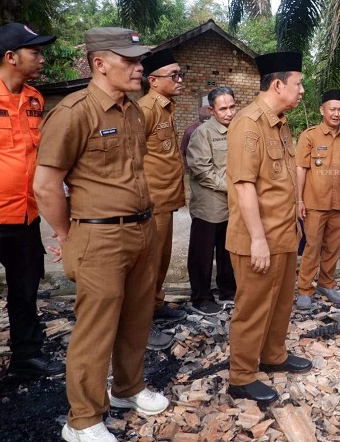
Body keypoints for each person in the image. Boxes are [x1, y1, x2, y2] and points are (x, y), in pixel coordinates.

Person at [34, 28, 169, 442]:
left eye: (139, 59)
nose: (139, 67)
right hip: (100, 237)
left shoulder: (132, 110)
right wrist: (66, 233)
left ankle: (128, 388)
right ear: (99, 63)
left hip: (141, 229)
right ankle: (83, 420)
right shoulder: (75, 112)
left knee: (136, 317)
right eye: (128, 60)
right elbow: (45, 184)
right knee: (96, 329)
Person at [224, 51, 312, 404]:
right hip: (257, 239)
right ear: (278, 85)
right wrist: (258, 240)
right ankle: (241, 376)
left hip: (283, 234)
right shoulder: (248, 123)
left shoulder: (280, 121)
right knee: (253, 308)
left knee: (280, 303)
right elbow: (244, 185)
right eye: (298, 83)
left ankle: (273, 355)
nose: (302, 90)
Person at [0, 22, 64, 401]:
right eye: (35, 52)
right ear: (10, 57)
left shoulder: (35, 99)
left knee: (25, 292)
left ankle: (26, 357)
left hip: (25, 218)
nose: (41, 58)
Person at [138, 49, 188, 351]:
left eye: (180, 74)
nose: (180, 79)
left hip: (167, 200)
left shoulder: (166, 108)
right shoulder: (146, 109)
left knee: (162, 259)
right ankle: (142, 323)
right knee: (148, 263)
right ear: (153, 81)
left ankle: (157, 305)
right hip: (151, 201)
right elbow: (132, 157)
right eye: (174, 75)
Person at [295, 89, 340, 310]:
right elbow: (301, 169)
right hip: (314, 203)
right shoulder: (309, 136)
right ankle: (304, 289)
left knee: (333, 247)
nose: (336, 113)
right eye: (332, 109)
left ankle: (326, 284)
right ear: (322, 110)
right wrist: (299, 200)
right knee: (312, 246)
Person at [186, 87, 237, 315]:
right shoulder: (203, 133)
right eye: (223, 108)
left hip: (232, 204)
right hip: (209, 204)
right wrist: (232, 188)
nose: (229, 112)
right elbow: (201, 170)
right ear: (212, 110)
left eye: (232, 107)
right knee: (203, 252)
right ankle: (201, 297)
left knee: (228, 251)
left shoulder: (238, 130)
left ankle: (228, 291)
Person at [180, 105, 211, 170]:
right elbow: (183, 152)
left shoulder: (189, 130)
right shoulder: (190, 131)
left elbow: (183, 151)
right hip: (196, 168)